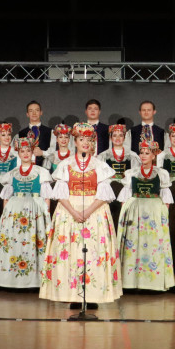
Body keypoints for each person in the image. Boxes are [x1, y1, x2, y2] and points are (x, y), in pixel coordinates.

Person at [40, 123, 122, 305]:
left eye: (88, 139)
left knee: (93, 252)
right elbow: (60, 194)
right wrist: (74, 212)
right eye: (81, 139)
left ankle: (93, 295)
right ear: (75, 142)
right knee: (71, 251)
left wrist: (87, 211)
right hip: (69, 210)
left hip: (94, 210)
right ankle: (72, 295)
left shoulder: (99, 165)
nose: (85, 143)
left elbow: (104, 194)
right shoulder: (66, 164)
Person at [0, 137, 53, 289]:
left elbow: (46, 197)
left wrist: (47, 215)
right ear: (18, 153)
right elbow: (6, 198)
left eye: (28, 150)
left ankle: (35, 280)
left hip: (35, 211)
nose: (26, 154)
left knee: (34, 242)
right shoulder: (12, 173)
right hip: (15, 210)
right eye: (22, 151)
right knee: (16, 242)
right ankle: (13, 280)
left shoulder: (41, 172)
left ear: (33, 152)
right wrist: (4, 217)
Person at [117, 139, 174, 291]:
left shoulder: (161, 173)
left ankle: (153, 283)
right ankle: (132, 282)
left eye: (147, 153)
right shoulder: (131, 173)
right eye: (141, 153)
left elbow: (166, 198)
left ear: (154, 155)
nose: (143, 156)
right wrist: (124, 217)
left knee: (153, 243)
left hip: (154, 210)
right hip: (136, 209)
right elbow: (125, 197)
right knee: (134, 243)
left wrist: (164, 217)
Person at [18, 100, 54, 166]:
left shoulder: (50, 132)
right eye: (31, 111)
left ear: (41, 112)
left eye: (37, 110)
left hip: (45, 167)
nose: (34, 113)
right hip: (26, 167)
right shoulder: (21, 133)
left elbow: (54, 152)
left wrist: (42, 153)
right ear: (27, 114)